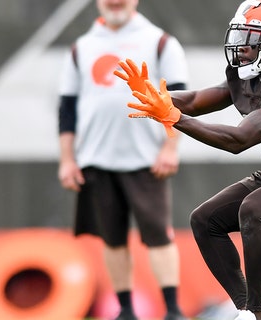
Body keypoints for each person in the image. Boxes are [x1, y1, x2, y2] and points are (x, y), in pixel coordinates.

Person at [115, 0, 261, 319]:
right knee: (205, 220)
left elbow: (238, 140)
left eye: (254, 37)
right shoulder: (253, 69)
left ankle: (254, 313)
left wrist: (174, 118)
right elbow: (199, 100)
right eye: (242, 34)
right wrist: (156, 96)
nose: (243, 45)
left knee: (253, 210)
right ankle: (249, 309)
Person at [56, 0, 189, 319]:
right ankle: (125, 310)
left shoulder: (160, 42)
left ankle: (173, 310)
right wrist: (67, 159)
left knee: (159, 236)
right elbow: (67, 109)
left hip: (146, 159)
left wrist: (170, 149)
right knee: (112, 240)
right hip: (95, 161)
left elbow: (180, 99)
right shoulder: (81, 48)